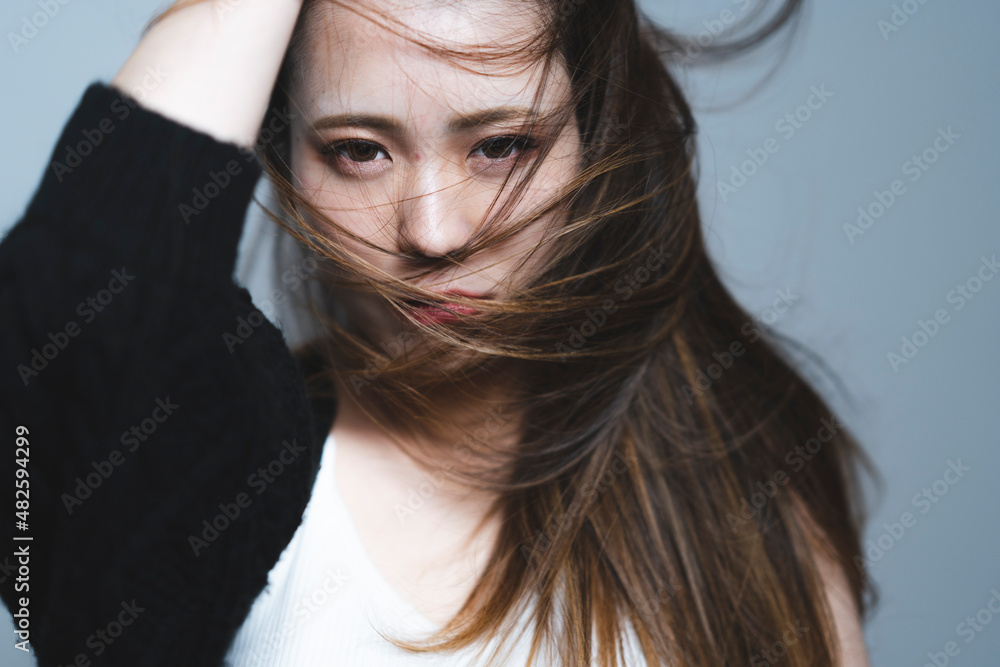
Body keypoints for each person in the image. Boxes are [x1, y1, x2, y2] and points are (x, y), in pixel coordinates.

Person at [0, 0, 876, 664]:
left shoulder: (743, 481)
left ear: (595, 139)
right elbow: (63, 316)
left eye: (501, 145)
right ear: (281, 155)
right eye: (359, 150)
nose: (433, 230)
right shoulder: (220, 467)